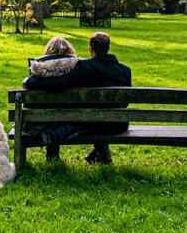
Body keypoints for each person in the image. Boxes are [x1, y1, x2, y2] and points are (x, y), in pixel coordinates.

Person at [23, 31, 131, 165]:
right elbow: (125, 102)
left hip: (89, 121)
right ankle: (100, 153)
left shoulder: (84, 68)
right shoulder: (126, 71)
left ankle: (94, 153)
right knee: (98, 117)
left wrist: (29, 82)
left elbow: (58, 84)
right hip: (118, 124)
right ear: (109, 48)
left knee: (83, 120)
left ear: (90, 49)